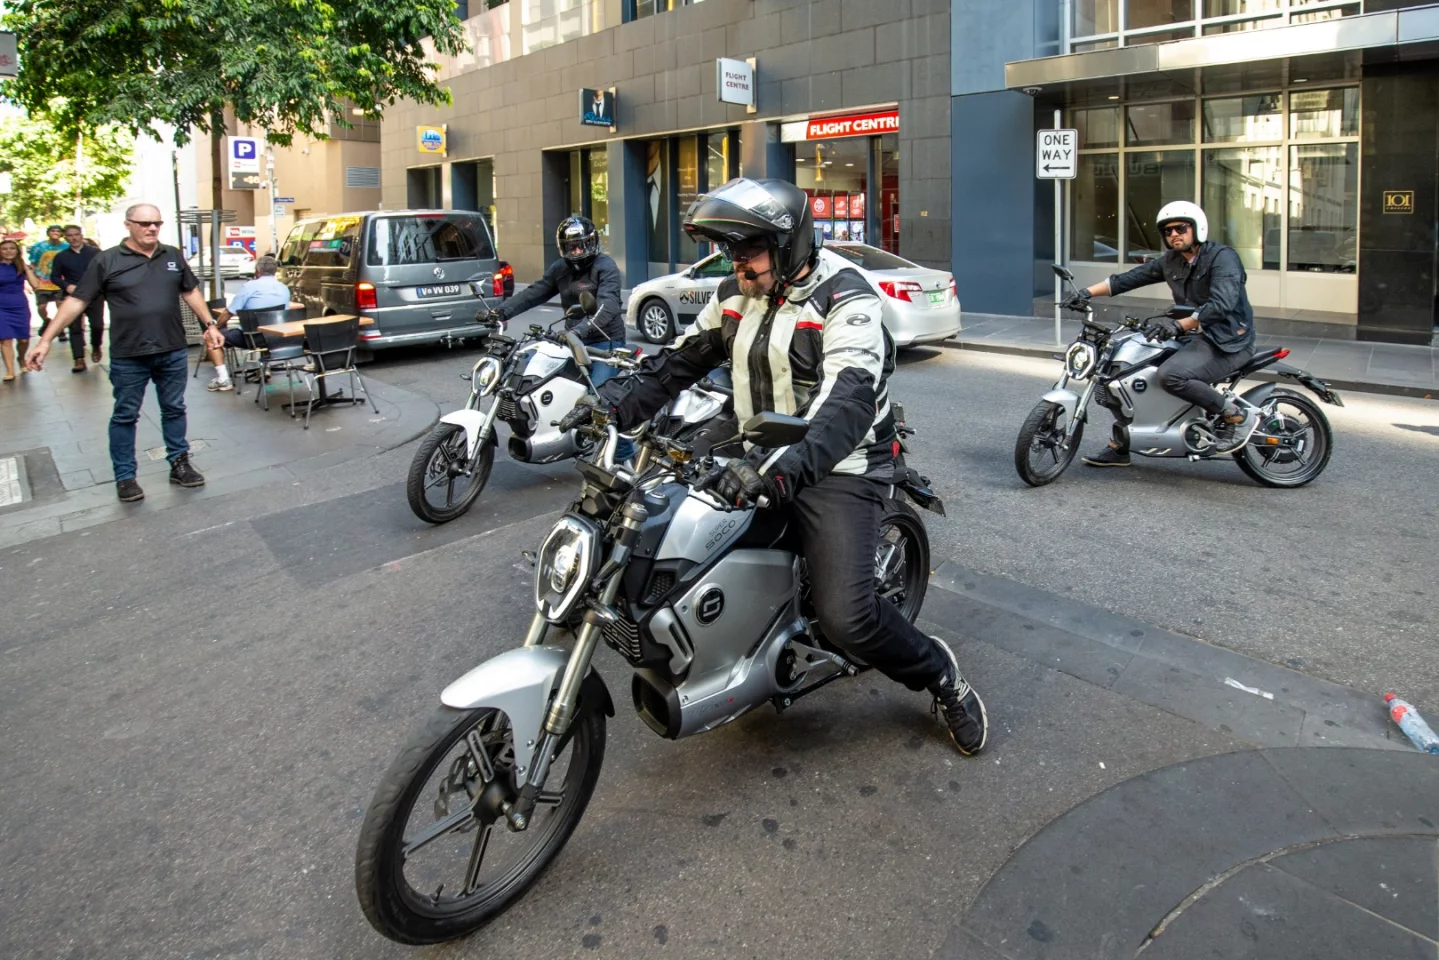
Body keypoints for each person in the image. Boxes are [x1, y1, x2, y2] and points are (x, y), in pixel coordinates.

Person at [562, 178, 989, 756]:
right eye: (732, 252)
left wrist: (781, 470)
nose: (739, 264)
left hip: (841, 462)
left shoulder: (846, 298)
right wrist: (611, 406)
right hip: (753, 443)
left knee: (849, 618)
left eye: (750, 250)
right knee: (646, 519)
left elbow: (848, 399)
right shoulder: (735, 294)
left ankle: (941, 676)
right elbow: (677, 364)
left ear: (788, 243)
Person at [26, 204, 225, 503]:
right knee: (125, 415)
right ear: (128, 224)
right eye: (145, 223)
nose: (152, 228)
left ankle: (179, 464)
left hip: (171, 349)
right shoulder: (107, 260)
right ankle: (125, 477)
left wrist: (209, 324)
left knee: (174, 408)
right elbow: (78, 301)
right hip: (129, 354)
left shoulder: (171, 254)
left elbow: (190, 291)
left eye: (157, 223)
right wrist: (45, 339)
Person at [1067, 201, 1259, 465]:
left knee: (1172, 376)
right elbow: (1127, 279)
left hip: (1227, 341)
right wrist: (1084, 293)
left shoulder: (1222, 258)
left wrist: (1179, 325)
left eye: (1181, 228)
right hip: (1191, 336)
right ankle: (1123, 445)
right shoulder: (1171, 261)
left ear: (1196, 228)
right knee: (1117, 372)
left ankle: (1235, 415)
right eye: (1168, 231)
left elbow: (1221, 304)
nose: (1174, 235)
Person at [488, 215, 631, 457]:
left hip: (605, 343)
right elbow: (535, 293)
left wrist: (581, 330)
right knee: (548, 386)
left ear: (592, 243)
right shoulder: (560, 269)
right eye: (569, 247)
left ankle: (626, 458)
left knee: (600, 404)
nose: (575, 251)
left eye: (580, 245)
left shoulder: (604, 266)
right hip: (571, 340)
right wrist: (500, 312)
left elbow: (609, 306)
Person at [202, 254, 290, 391]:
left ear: (258, 270)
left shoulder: (249, 287)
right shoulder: (284, 288)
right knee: (266, 326)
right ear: (275, 270)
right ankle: (264, 369)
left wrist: (215, 328)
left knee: (210, 337)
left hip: (250, 338)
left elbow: (228, 313)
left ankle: (223, 379)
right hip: (275, 338)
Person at [52, 224, 105, 372]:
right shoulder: (61, 257)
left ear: (82, 235)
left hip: (95, 294)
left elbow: (105, 271)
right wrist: (66, 285)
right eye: (70, 235)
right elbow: (54, 276)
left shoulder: (96, 253)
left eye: (76, 234)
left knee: (97, 325)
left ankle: (96, 345)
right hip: (73, 296)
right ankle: (79, 359)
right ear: (66, 238)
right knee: (74, 328)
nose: (74, 238)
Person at [0, 239, 41, 382]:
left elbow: (35, 285)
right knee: (5, 339)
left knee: (23, 339)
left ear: (17, 251)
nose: (8, 251)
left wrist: (25, 267)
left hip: (19, 305)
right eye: (4, 249)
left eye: (12, 248)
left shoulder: (21, 267)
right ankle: (10, 371)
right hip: (1, 307)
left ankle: (21, 358)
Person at [28, 225, 68, 340]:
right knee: (41, 306)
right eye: (53, 231)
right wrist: (32, 279)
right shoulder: (39, 246)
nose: (56, 233)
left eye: (58, 231)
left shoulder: (66, 247)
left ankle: (60, 329)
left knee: (61, 306)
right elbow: (33, 264)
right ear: (48, 233)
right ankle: (46, 321)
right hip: (42, 280)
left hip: (60, 280)